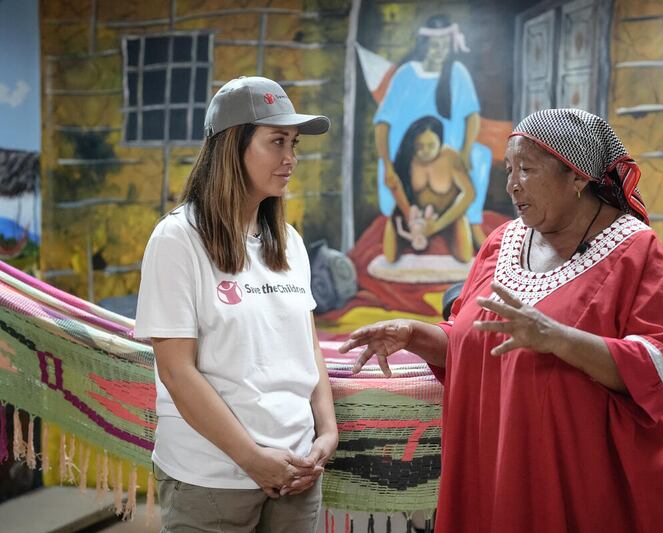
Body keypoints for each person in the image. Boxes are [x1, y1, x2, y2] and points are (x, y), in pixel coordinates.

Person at [340, 108, 663, 532]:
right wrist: (414, 333)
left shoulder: (634, 250)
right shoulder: (501, 242)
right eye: (509, 170)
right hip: (490, 466)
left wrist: (557, 339)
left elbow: (658, 365)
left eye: (526, 169)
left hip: (571, 482)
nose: (510, 185)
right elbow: (474, 345)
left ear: (577, 176)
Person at [135, 76, 338, 533]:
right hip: (211, 480)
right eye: (277, 141)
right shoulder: (177, 239)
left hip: (298, 472)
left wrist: (326, 432)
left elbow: (308, 349)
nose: (291, 158)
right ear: (232, 145)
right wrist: (253, 459)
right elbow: (176, 371)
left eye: (295, 143)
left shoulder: (288, 242)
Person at [374, 14, 492, 249]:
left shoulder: (457, 72)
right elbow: (383, 122)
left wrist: (465, 150)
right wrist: (387, 163)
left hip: (448, 151)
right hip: (412, 152)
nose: (440, 51)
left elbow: (472, 116)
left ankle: (472, 220)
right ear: (424, 45)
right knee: (392, 172)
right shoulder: (406, 74)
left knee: (481, 156)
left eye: (445, 46)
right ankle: (410, 219)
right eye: (435, 45)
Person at [383, 115, 475, 263]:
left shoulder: (451, 158)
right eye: (419, 146)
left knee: (465, 257)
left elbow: (469, 194)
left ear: (440, 141)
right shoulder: (406, 158)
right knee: (390, 257)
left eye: (431, 145)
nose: (425, 151)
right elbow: (395, 187)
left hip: (446, 217)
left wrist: (436, 226)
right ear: (413, 145)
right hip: (412, 217)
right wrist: (410, 218)